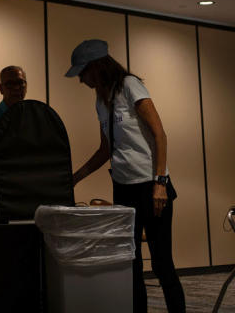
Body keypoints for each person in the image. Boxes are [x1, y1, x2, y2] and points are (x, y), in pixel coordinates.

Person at [68, 39, 185, 313]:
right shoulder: (100, 101)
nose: (81, 80)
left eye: (82, 73)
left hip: (151, 186)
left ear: (96, 67)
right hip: (122, 189)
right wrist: (75, 177)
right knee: (130, 263)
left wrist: (161, 183)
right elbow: (105, 150)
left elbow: (160, 134)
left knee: (161, 263)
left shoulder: (131, 86)